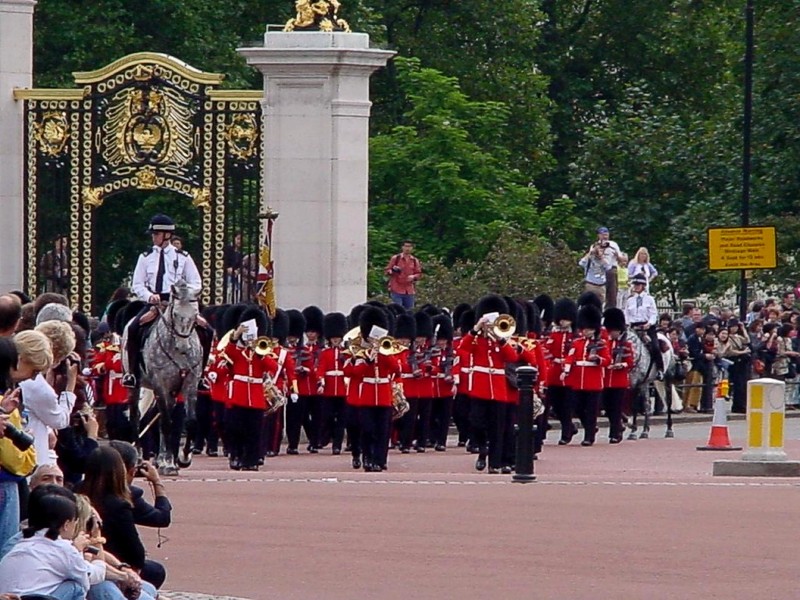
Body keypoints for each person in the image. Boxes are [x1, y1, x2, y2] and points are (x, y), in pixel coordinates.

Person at [123, 214, 203, 388]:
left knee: (207, 330)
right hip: (155, 303)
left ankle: (201, 375)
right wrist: (149, 296)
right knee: (133, 328)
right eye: (153, 234)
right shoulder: (145, 257)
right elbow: (137, 284)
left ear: (166, 235)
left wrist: (183, 295)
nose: (153, 237)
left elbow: (197, 283)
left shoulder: (183, 257)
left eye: (156, 234)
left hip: (179, 304)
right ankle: (132, 373)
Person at [81, 446, 166, 589]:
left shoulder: (75, 492)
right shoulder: (120, 503)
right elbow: (136, 552)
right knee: (155, 571)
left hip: (87, 555)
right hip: (111, 561)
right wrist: (157, 482)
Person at [0, 493, 91, 600]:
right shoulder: (65, 549)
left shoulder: (19, 544)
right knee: (77, 587)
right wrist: (79, 552)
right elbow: (85, 581)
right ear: (66, 525)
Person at [624, 273, 664, 378]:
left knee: (655, 347)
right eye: (635, 284)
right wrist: (628, 324)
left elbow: (654, 314)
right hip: (633, 327)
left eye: (638, 284)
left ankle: (660, 369)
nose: (636, 286)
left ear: (643, 286)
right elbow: (626, 314)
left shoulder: (649, 299)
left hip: (647, 327)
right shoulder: (629, 300)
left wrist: (649, 324)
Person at [594, 226, 627, 308]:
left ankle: (610, 309)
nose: (605, 236)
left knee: (612, 293)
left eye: (606, 234)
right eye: (602, 234)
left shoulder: (613, 244)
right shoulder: (595, 245)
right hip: (600, 270)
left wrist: (616, 254)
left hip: (611, 269)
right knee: (599, 292)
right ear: (599, 235)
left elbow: (622, 260)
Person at [384, 240, 422, 310]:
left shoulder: (414, 260)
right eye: (406, 246)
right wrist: (393, 270)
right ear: (402, 247)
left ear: (412, 248)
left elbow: (419, 273)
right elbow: (387, 271)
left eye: (409, 246)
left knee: (409, 311)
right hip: (396, 289)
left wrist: (413, 277)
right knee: (397, 310)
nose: (407, 248)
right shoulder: (396, 258)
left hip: (409, 290)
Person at [223, 232, 244, 303]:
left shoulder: (239, 252)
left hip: (235, 275)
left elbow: (240, 264)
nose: (239, 241)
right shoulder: (227, 249)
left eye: (241, 239)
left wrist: (237, 270)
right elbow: (222, 260)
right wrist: (227, 268)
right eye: (238, 239)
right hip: (226, 275)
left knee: (236, 292)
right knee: (228, 291)